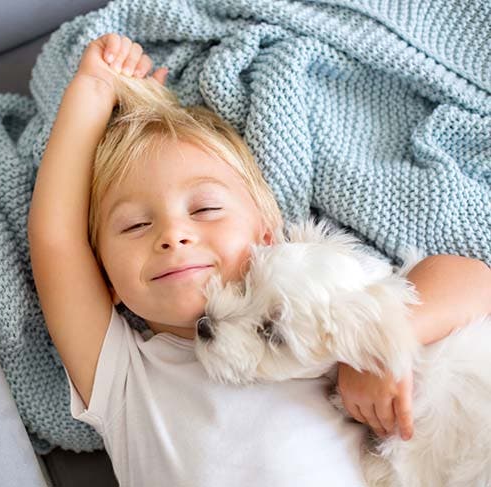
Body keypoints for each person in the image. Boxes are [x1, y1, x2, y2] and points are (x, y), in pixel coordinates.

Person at [27, 33, 491, 486]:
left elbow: (474, 281)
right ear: (103, 276)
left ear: (265, 235)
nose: (173, 235)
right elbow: (56, 240)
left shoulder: (304, 299)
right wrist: (91, 92)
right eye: (134, 226)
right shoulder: (123, 375)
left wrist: (379, 350)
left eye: (205, 208)